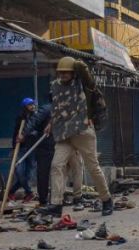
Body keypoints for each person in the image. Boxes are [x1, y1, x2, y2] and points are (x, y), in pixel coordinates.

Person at [38, 57, 113, 217]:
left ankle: (106, 200)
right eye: (61, 72)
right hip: (63, 134)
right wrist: (51, 123)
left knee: (93, 168)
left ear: (73, 72)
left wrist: (72, 60)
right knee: (56, 166)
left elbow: (83, 69)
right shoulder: (55, 86)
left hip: (82, 131)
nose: (64, 74)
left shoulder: (83, 84)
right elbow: (58, 107)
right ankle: (56, 205)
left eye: (67, 72)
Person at [22, 103, 84, 206]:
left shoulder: (66, 109)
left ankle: (59, 199)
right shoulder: (47, 109)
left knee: (60, 172)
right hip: (46, 147)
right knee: (45, 174)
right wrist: (24, 134)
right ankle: (44, 200)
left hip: (61, 145)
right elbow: (34, 121)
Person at [12, 98, 37, 202]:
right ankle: (29, 192)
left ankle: (11, 192)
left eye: (33, 104)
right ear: (25, 107)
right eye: (30, 105)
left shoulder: (36, 118)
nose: (33, 106)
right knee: (20, 172)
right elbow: (15, 134)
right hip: (21, 149)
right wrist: (14, 148)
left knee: (28, 174)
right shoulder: (20, 119)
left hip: (32, 149)